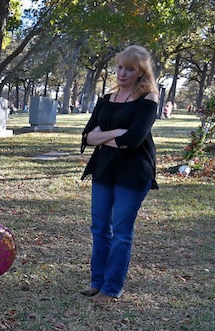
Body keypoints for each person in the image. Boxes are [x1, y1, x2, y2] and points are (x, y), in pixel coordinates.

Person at [80, 45, 159, 303]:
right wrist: (117, 134)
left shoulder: (148, 100)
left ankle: (111, 288)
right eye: (120, 67)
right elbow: (87, 136)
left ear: (140, 72)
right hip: (104, 169)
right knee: (99, 227)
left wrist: (106, 136)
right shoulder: (106, 100)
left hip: (134, 172)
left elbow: (134, 140)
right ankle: (97, 282)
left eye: (130, 69)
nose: (122, 73)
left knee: (121, 230)